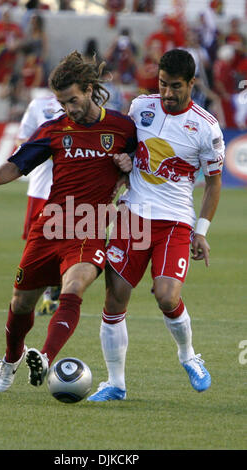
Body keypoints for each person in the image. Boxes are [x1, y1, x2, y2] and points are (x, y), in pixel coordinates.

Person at [0, 51, 137, 393]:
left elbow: (143, 163)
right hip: (51, 225)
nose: (68, 108)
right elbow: (19, 163)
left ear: (88, 89)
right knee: (21, 303)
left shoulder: (122, 127)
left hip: (90, 226)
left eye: (72, 100)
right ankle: (12, 357)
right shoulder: (55, 129)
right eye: (62, 102)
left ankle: (44, 356)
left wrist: (128, 163)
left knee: (73, 288)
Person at [87, 49, 225, 402]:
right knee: (115, 299)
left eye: (175, 86)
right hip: (132, 215)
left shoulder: (206, 127)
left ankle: (188, 355)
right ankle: (115, 384)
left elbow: (213, 183)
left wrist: (201, 231)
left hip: (175, 220)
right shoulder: (140, 108)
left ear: (192, 83)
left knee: (167, 296)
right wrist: (125, 161)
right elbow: (129, 149)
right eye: (162, 84)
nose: (166, 93)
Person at [16, 90, 63, 315]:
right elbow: (21, 137)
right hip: (40, 186)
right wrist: (42, 148)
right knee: (35, 242)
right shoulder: (39, 105)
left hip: (68, 185)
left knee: (64, 241)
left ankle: (53, 292)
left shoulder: (83, 103)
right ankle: (41, 293)